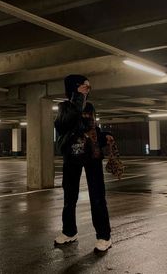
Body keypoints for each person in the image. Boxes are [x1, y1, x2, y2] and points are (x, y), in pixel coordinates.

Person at [54, 74, 113, 252]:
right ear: (73, 89)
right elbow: (65, 123)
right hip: (72, 157)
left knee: (97, 197)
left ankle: (104, 236)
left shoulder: (90, 106)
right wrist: (78, 99)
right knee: (69, 198)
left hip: (92, 156)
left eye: (89, 86)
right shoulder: (64, 107)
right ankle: (69, 232)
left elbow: (92, 128)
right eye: (83, 86)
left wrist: (104, 137)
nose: (87, 89)